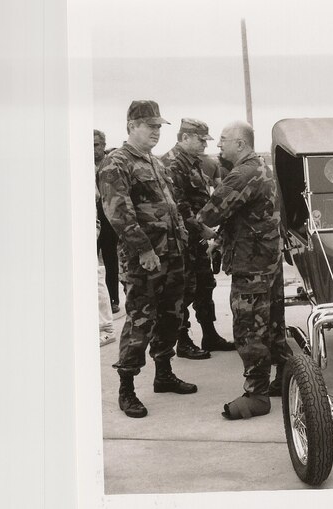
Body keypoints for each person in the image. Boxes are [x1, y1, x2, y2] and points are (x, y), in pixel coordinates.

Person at [98, 100, 195, 419]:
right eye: (150, 126)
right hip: (144, 260)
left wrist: (182, 240)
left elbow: (171, 207)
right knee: (140, 320)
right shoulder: (117, 163)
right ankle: (126, 388)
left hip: (171, 254)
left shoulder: (155, 162)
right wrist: (143, 249)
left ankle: (163, 374)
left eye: (158, 127)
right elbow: (118, 212)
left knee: (171, 315)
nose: (156, 132)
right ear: (131, 127)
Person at [196, 120, 294, 420]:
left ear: (240, 143)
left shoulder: (243, 173)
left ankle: (257, 395)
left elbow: (210, 213)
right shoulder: (262, 166)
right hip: (267, 262)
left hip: (251, 266)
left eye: (224, 140)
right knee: (274, 326)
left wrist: (193, 222)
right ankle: (286, 380)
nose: (218, 145)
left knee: (249, 330)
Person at [160, 119, 236, 358]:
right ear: (184, 138)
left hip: (197, 239)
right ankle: (182, 341)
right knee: (184, 290)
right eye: (201, 139)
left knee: (205, 285)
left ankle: (209, 334)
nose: (205, 143)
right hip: (183, 239)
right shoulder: (171, 164)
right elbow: (179, 207)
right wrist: (202, 229)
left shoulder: (193, 163)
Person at [95, 130, 120, 314]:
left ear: (103, 145)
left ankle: (113, 299)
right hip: (91, 218)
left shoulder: (110, 164)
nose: (93, 149)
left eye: (96, 145)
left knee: (110, 260)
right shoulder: (82, 164)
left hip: (109, 218)